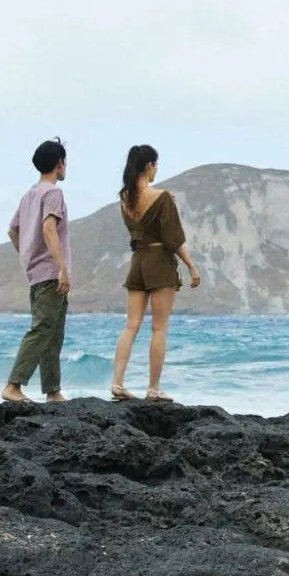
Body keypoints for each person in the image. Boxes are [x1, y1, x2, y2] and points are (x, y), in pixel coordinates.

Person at [110, 144, 200, 402]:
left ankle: (117, 383)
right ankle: (153, 389)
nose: (156, 169)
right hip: (159, 262)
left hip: (138, 261)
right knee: (159, 328)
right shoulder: (161, 198)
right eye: (156, 165)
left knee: (131, 326)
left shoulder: (124, 198)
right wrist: (191, 266)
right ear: (149, 165)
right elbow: (173, 239)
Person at [2, 138, 71, 403]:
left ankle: (52, 390)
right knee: (43, 329)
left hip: (36, 273)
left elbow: (12, 231)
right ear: (59, 164)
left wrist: (26, 255)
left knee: (53, 332)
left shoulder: (30, 194)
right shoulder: (53, 193)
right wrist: (61, 268)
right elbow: (48, 228)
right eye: (65, 163)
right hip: (51, 272)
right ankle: (13, 385)